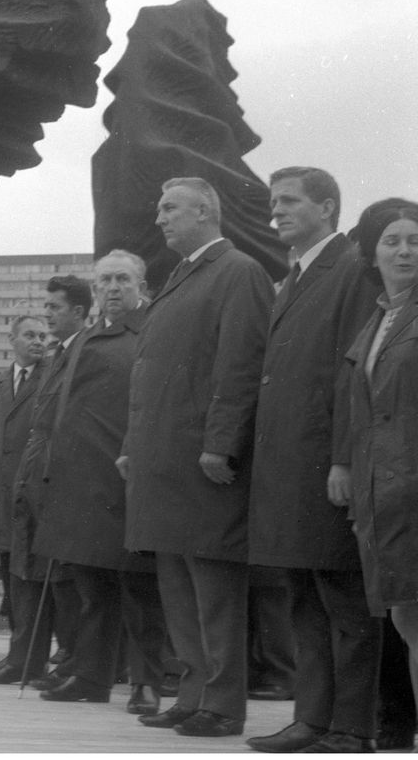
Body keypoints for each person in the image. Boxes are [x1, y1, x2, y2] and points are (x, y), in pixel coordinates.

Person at [119, 177, 274, 738]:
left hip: (202, 461)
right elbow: (152, 374)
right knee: (179, 588)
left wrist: (221, 443)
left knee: (213, 589)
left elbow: (240, 363)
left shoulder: (238, 271)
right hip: (164, 460)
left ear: (205, 210)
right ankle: (192, 694)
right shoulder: (182, 276)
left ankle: (223, 704)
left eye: (170, 208)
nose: (160, 218)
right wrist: (133, 446)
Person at [246, 167, 381, 754]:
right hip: (291, 470)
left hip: (326, 469)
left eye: (289, 201)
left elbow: (354, 373)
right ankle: (312, 719)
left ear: (327, 207)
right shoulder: (296, 275)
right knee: (305, 597)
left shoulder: (350, 268)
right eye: (273, 201)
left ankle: (351, 726)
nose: (276, 210)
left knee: (343, 602)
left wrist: (344, 460)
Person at [33, 251, 168, 713]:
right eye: (104, 280)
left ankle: (147, 682)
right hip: (81, 482)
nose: (112, 287)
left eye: (122, 279)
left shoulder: (153, 329)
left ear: (141, 285)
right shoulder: (87, 337)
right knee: (92, 588)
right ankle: (91, 676)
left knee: (140, 590)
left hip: (126, 478)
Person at [339, 199, 418, 733]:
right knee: (408, 619)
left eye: (414, 241)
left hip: (412, 490)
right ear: (372, 254)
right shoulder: (378, 320)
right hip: (386, 499)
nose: (404, 251)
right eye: (392, 241)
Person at [1, 276, 91, 689]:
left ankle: (70, 662)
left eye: (54, 307)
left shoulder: (85, 351)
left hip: (60, 479)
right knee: (29, 575)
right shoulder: (58, 355)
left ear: (78, 311)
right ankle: (27, 660)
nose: (48, 315)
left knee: (64, 583)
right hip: (34, 477)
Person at [0, 314, 47, 681]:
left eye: (42, 336)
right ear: (12, 340)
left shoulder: (51, 377)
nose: (38, 341)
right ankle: (16, 655)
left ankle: (28, 660)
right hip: (1, 496)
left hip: (32, 495)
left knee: (28, 582)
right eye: (30, 335)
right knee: (9, 575)